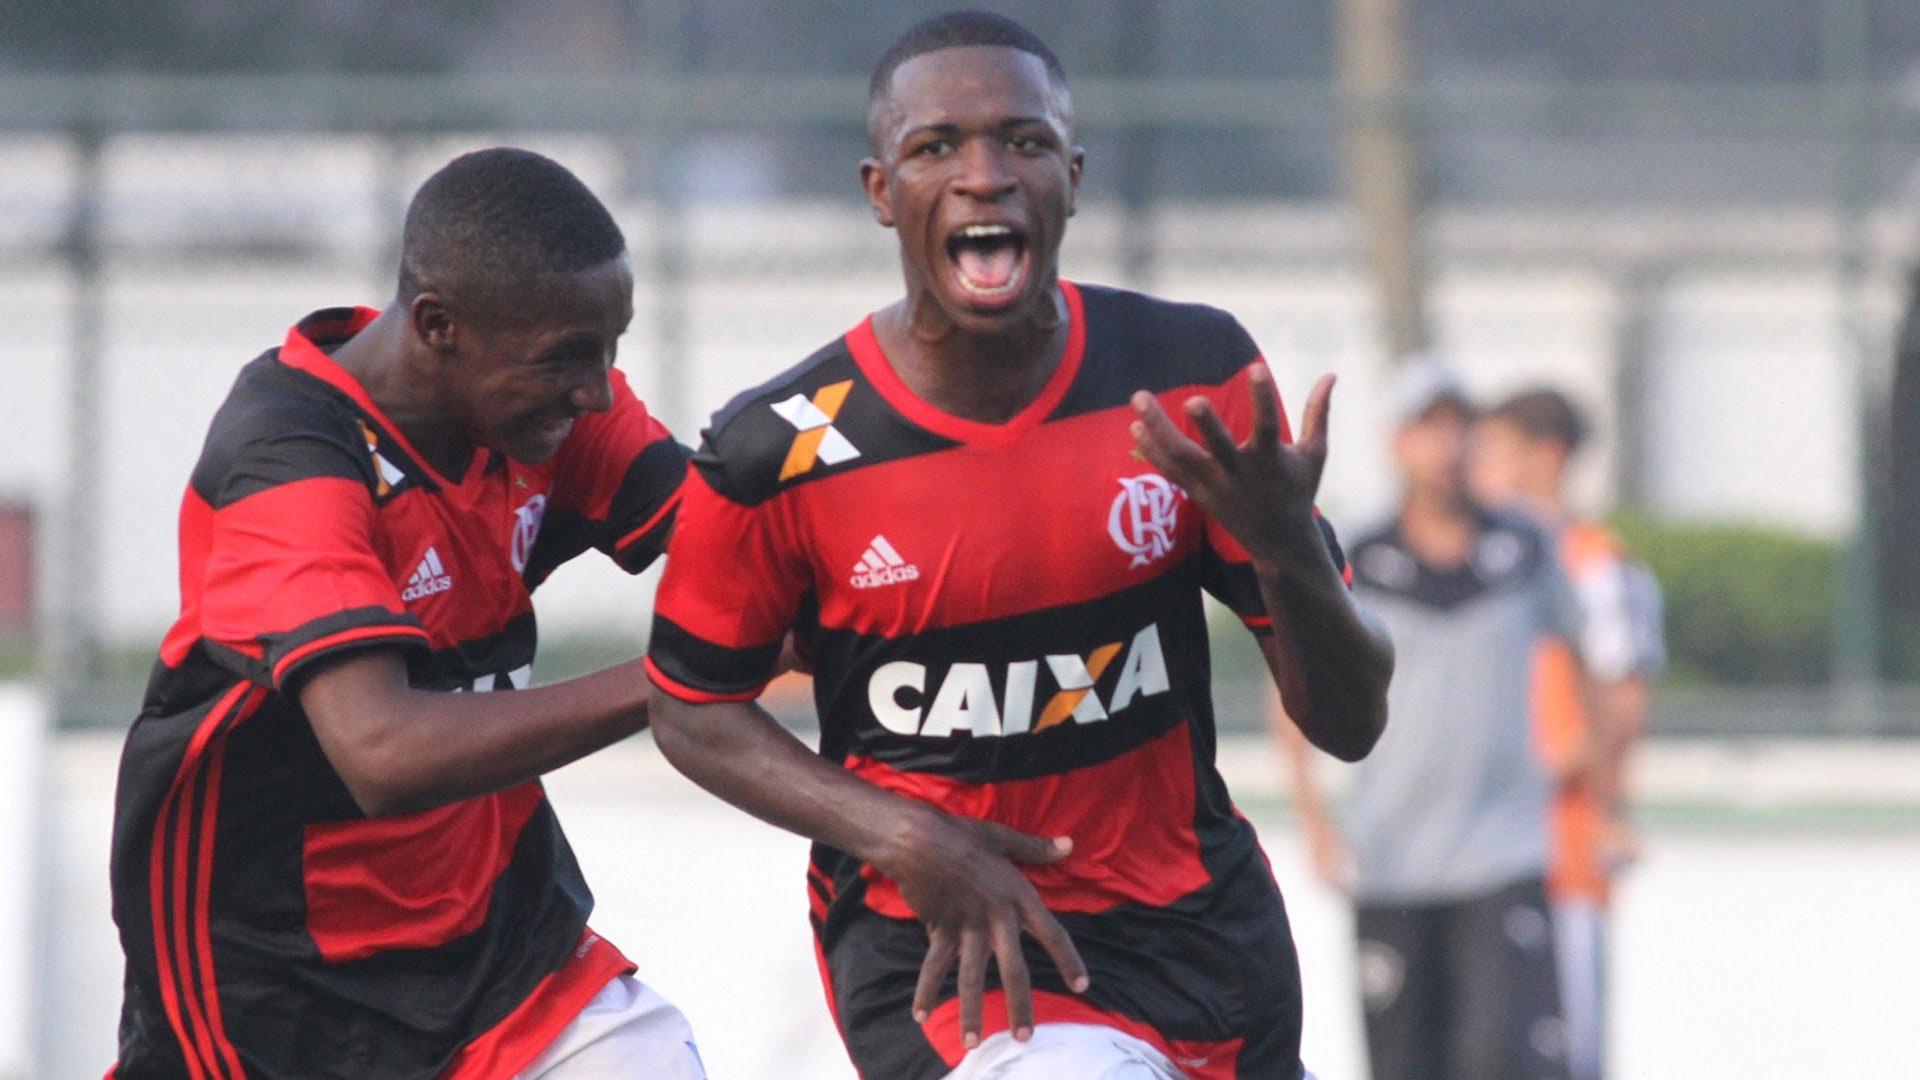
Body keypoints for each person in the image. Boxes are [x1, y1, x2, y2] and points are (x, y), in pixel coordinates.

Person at [641, 11, 1393, 1079]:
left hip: (1205, 935)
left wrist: (1287, 550)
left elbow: (1353, 724)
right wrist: (904, 838)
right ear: (878, 191)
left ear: (1073, 178)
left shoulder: (1192, 373)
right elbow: (692, 707)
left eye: (1023, 141)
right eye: (936, 146)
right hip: (949, 948)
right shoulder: (780, 449)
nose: (984, 175)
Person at [108, 148, 706, 1079]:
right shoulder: (287, 456)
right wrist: (677, 678)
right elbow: (382, 752)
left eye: (611, 346)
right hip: (273, 980)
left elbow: (745, 551)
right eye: (569, 358)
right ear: (439, 327)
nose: (597, 388)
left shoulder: (547, 402)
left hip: (500, 947)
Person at [1281, 361, 1578, 1080]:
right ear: (1395, 443)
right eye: (1427, 428)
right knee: (1405, 1062)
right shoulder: (1355, 554)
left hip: (1501, 857)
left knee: (1501, 1057)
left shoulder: (1526, 548)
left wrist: (1582, 766)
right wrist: (1316, 819)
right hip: (1391, 859)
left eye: (1458, 426)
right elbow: (1296, 681)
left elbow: (1586, 658)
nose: (1445, 445)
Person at [1471, 387, 1666, 1080]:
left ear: (1546, 458)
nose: (1478, 467)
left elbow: (1621, 697)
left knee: (1563, 1052)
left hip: (1561, 854)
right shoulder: (1479, 560)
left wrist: (1601, 801)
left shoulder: (1593, 562)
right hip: (1471, 855)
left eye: (1496, 452)